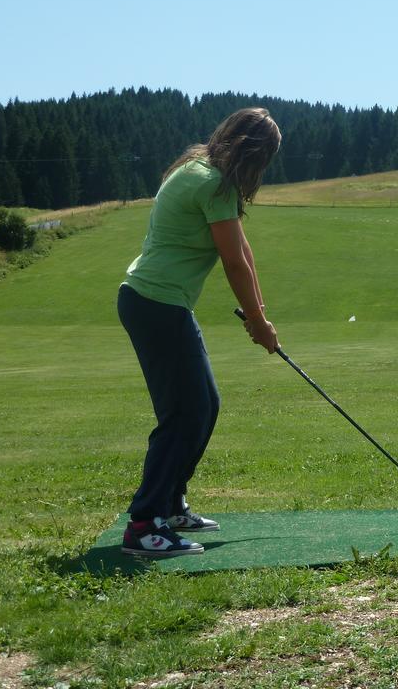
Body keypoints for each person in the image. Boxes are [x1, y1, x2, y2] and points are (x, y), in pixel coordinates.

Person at [117, 107, 282, 558]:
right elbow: (230, 263)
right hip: (156, 304)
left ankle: (170, 505)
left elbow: (242, 251)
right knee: (183, 414)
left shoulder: (201, 169)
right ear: (253, 152)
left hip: (160, 304)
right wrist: (258, 322)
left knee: (204, 405)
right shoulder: (212, 182)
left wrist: (259, 316)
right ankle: (144, 524)